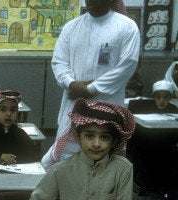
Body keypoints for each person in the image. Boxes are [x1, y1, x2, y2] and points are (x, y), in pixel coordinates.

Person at [9, 99, 136, 200]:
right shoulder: (61, 170)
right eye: (89, 135)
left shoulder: (123, 168)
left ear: (114, 141)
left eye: (104, 137)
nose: (96, 143)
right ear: (77, 136)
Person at [42, 0, 140, 168]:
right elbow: (59, 61)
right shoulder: (71, 27)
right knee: (62, 163)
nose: (91, 2)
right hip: (73, 106)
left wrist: (91, 89)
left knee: (102, 166)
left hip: (107, 108)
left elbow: (127, 66)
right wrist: (71, 83)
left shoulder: (126, 27)